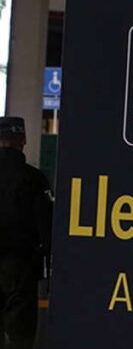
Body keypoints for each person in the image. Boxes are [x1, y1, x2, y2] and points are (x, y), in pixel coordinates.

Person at [0, 117, 52, 349]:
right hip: (20, 267)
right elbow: (47, 225)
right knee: (20, 334)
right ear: (24, 141)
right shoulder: (34, 179)